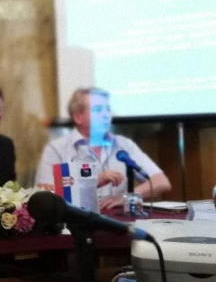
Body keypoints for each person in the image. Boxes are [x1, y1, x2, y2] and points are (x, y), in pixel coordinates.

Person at [35, 87, 171, 209]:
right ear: (78, 117)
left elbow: (161, 182)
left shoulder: (124, 144)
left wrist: (126, 197)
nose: (106, 115)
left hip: (118, 222)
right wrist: (92, 181)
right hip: (75, 220)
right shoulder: (57, 148)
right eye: (98, 110)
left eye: (108, 109)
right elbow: (44, 193)